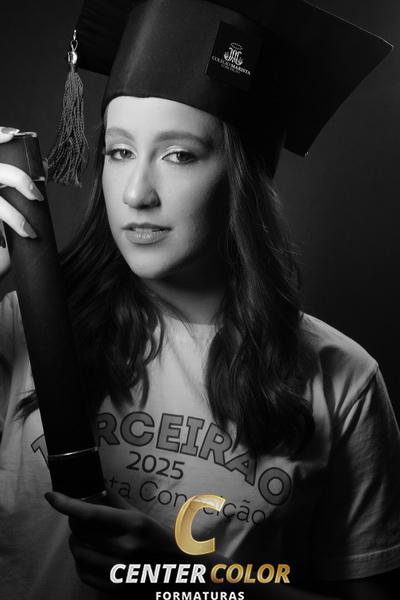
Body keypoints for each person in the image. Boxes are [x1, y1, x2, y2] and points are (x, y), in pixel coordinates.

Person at [0, 1, 399, 599]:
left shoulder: (343, 380)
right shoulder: (19, 327)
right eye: (119, 151)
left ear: (241, 177)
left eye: (179, 155)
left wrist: (188, 577)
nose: (136, 193)